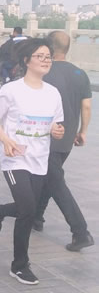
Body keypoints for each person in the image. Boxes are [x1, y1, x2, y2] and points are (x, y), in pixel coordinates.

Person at [0, 38, 64, 285]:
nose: (45, 60)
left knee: (26, 208)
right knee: (28, 209)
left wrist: (56, 131)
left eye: (48, 56)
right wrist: (5, 139)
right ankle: (19, 265)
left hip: (39, 159)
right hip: (15, 159)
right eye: (40, 56)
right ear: (27, 60)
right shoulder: (11, 90)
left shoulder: (53, 93)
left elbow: (55, 124)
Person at [32, 30, 94, 251]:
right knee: (50, 178)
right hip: (67, 139)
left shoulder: (43, 71)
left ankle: (80, 232)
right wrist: (82, 131)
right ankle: (36, 217)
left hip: (47, 137)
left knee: (56, 183)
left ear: (48, 48)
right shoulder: (80, 73)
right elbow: (86, 106)